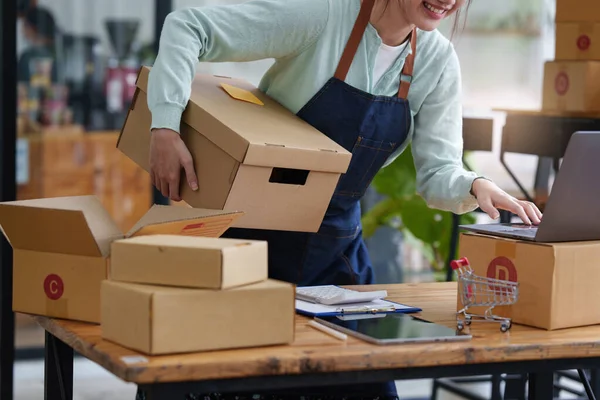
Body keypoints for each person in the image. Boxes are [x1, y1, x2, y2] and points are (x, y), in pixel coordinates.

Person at [142, 1, 543, 399]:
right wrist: (165, 124)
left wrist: (477, 186)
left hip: (334, 261)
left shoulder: (437, 60)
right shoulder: (324, 16)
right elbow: (188, 26)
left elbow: (439, 173)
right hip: (249, 248)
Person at [17, 6, 60, 84]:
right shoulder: (63, 51)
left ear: (32, 28)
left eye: (24, 25)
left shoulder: (28, 57)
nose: (22, 31)